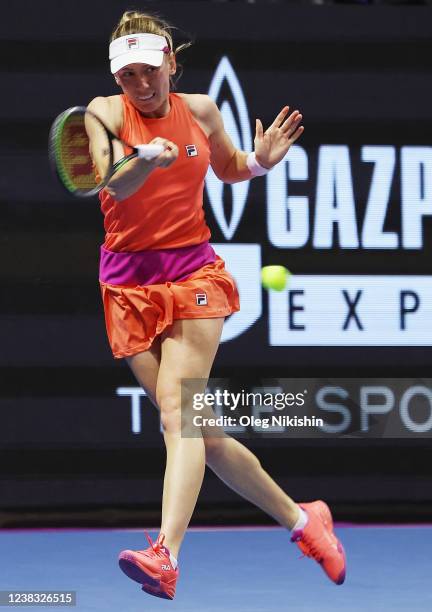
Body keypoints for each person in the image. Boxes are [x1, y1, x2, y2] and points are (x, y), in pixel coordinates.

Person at [88, 10, 346, 601]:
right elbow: (113, 184)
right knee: (201, 431)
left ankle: (165, 555)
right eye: (129, 75)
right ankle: (306, 522)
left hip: (193, 272)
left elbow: (229, 169)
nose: (142, 85)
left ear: (172, 62)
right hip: (127, 284)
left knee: (181, 415)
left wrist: (260, 161)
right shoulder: (104, 112)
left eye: (151, 71)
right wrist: (142, 159)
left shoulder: (201, 110)